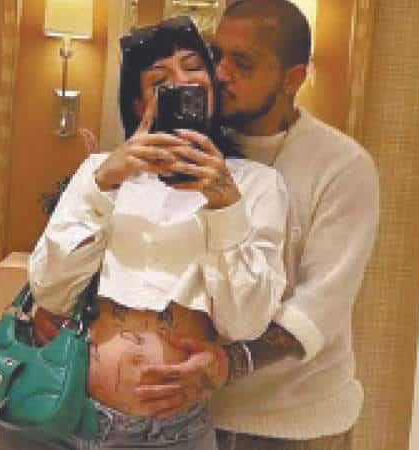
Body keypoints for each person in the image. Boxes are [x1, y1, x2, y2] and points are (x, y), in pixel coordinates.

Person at [0, 16, 289, 450]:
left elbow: (245, 321)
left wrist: (225, 205)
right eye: (160, 81)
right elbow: (51, 292)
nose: (182, 82)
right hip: (53, 412)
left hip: (169, 434)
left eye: (193, 67)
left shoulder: (256, 185)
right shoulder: (101, 172)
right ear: (138, 103)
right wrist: (103, 185)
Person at [134, 1, 380, 449]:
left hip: (293, 423)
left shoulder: (342, 167)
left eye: (242, 63)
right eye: (216, 55)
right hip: (183, 417)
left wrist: (229, 363)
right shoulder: (190, 144)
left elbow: (319, 305)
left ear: (293, 78)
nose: (220, 73)